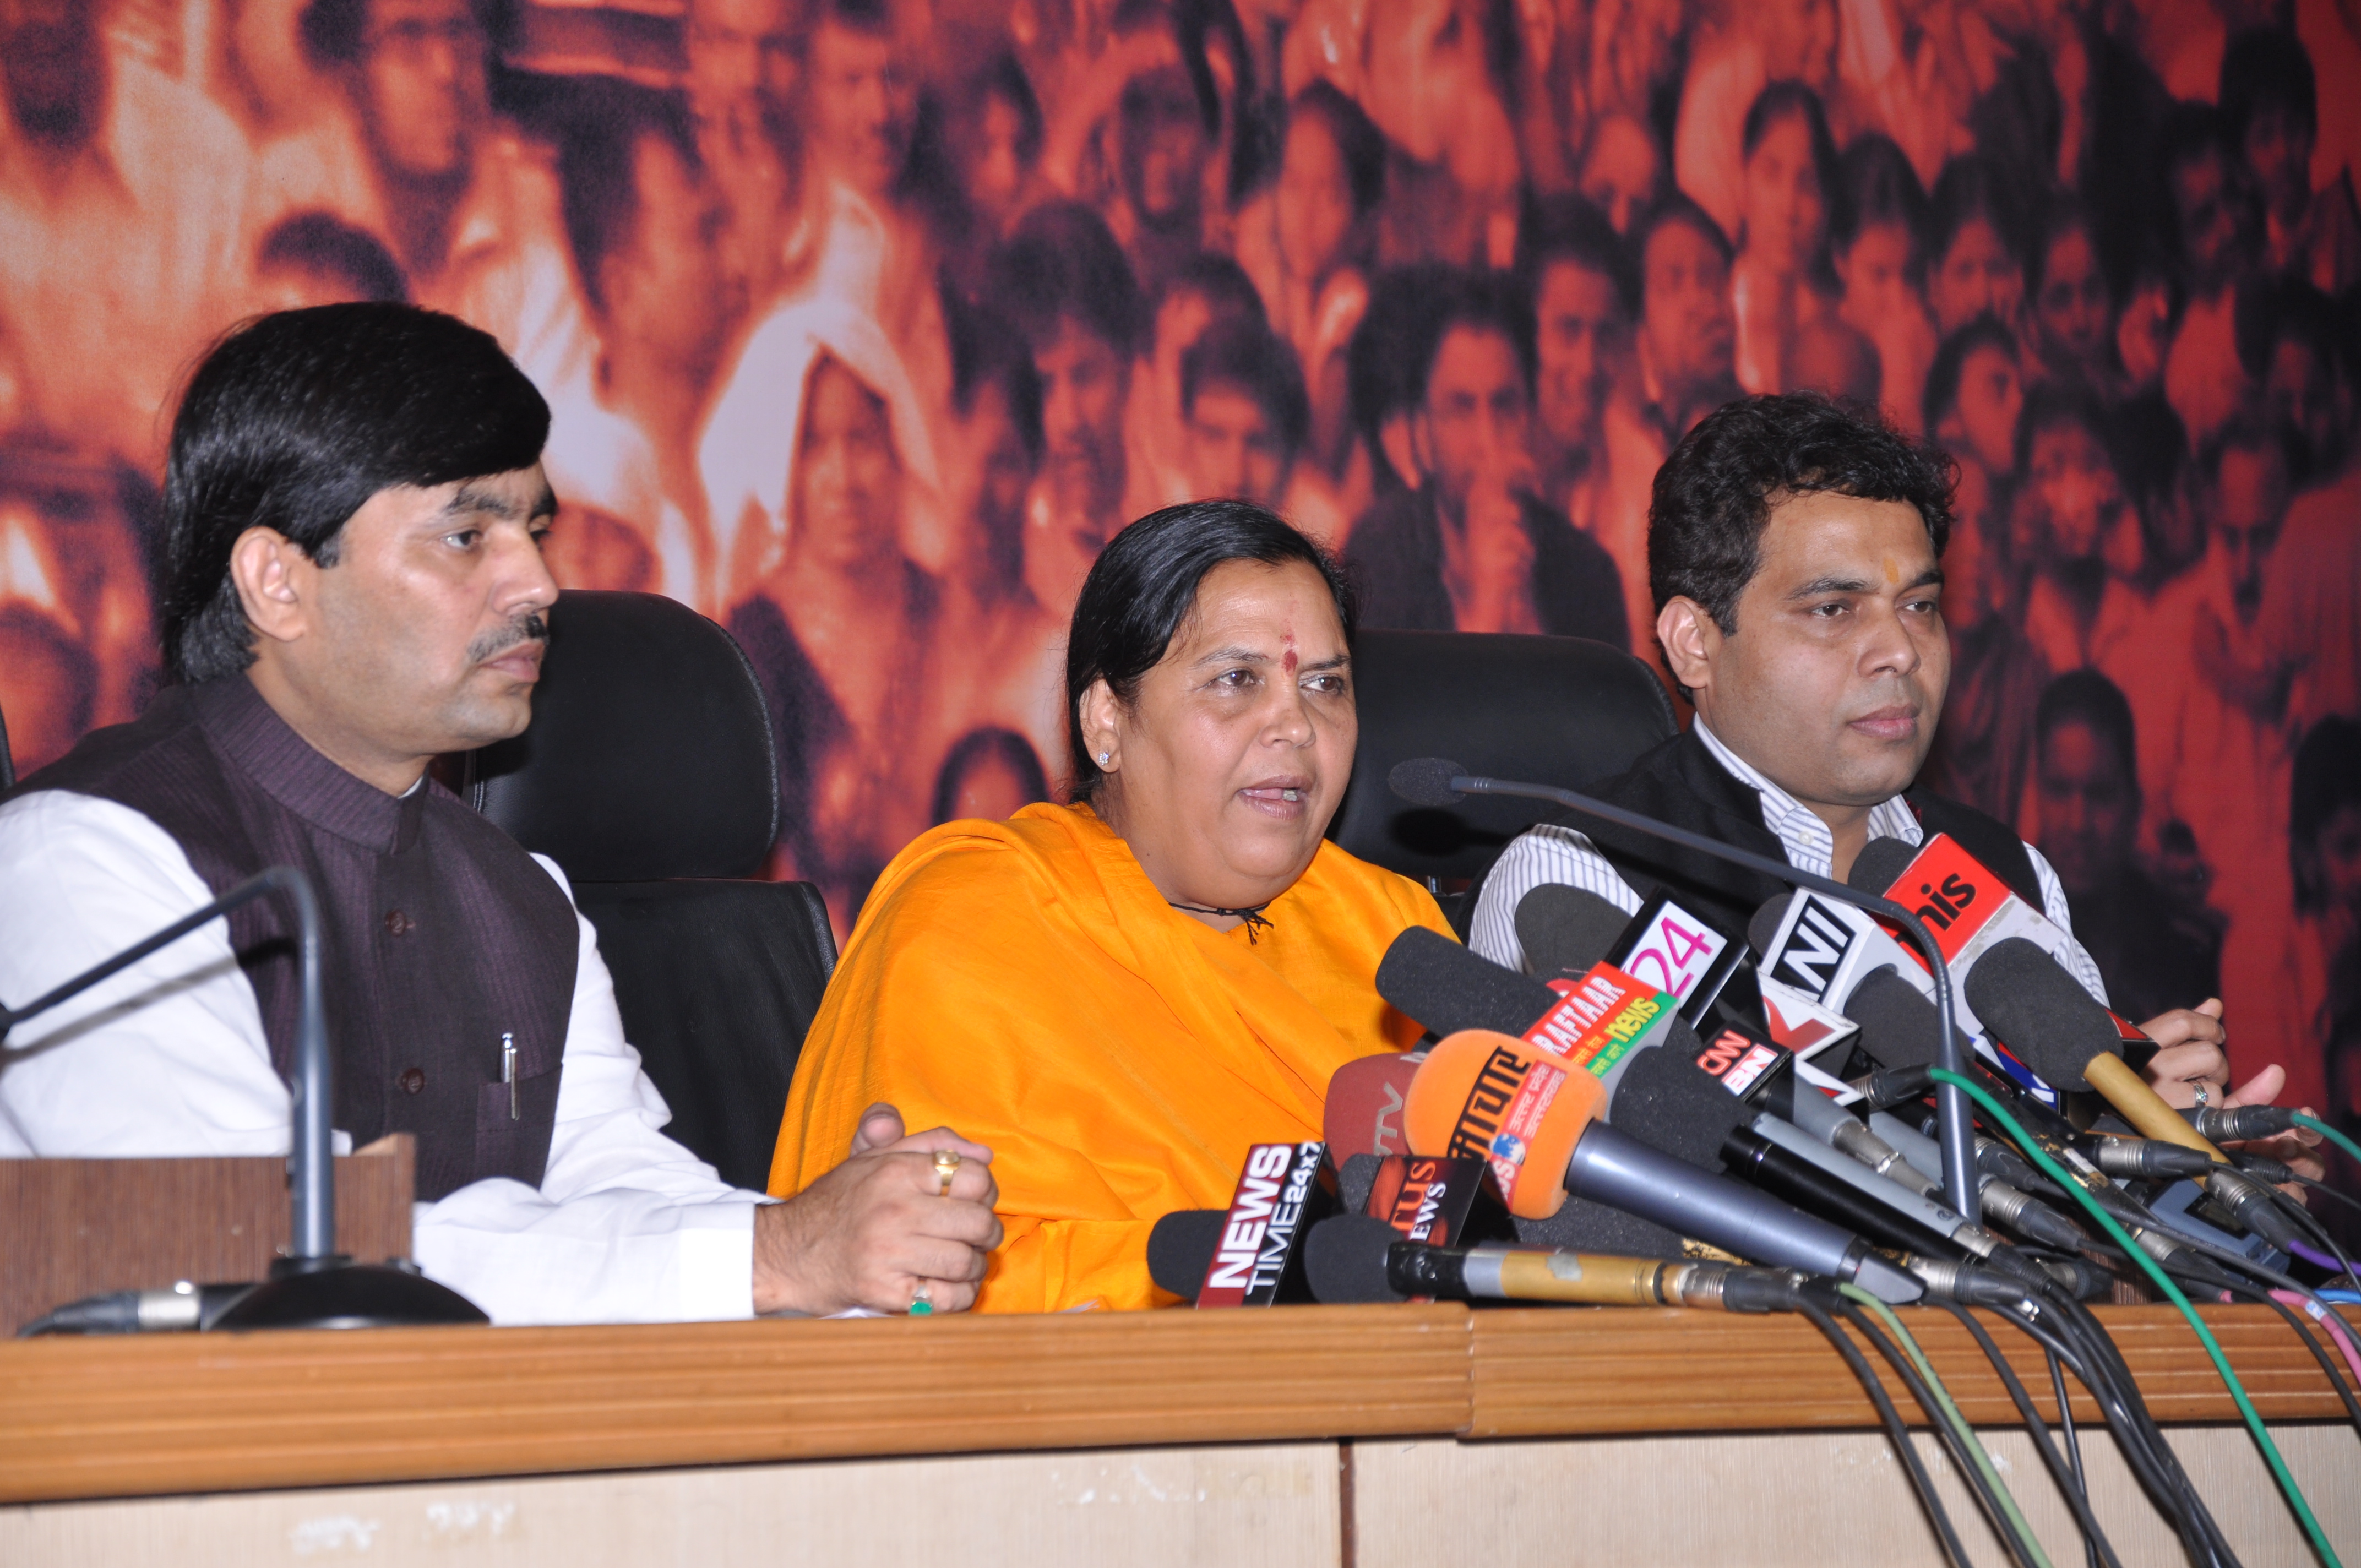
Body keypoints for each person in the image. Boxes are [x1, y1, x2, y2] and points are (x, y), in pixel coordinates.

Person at [0, 304, 1002, 1323]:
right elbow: (246, 1247)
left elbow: (630, 1193)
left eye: (532, 530)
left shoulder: (525, 897)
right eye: (468, 535)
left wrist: (855, 1245)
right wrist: (776, 1254)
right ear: (277, 582)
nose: (537, 584)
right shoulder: (88, 857)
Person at [1467, 393, 2244, 1112]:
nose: (1900, 652)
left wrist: (2146, 1141)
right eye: (1835, 609)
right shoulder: (1583, 873)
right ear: (1694, 644)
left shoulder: (2009, 873)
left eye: (1919, 606)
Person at [770, 501, 1453, 1311]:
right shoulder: (974, 924)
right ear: (1106, 723)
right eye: (1238, 681)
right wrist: (1284, 1270)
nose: (1296, 726)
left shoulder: (1389, 928)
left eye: (1324, 685)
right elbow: (926, 1280)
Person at [1344, 272, 1629, 646]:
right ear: (1424, 431)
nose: (1488, 439)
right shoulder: (1378, 557)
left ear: (1530, 413)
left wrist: (1528, 617)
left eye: (1505, 406)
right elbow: (1391, 705)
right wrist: (1487, 612)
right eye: (1461, 409)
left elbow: (1597, 705)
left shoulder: (1588, 574)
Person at [987, 203, 1151, 625]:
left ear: (1126, 367)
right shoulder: (1000, 557)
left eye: (1085, 376)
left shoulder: (1183, 517)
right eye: (1042, 386)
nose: (1069, 420)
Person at [2031, 669, 2222, 1023]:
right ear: (2037, 793)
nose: (2078, 823)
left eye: (2100, 794)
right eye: (2059, 790)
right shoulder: (1997, 926)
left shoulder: (2184, 948)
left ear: (2133, 802)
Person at [1728, 82, 1839, 398]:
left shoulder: (1836, 329)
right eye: (1771, 174)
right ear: (1742, 184)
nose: (1789, 208)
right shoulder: (1714, 313)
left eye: (1807, 184)